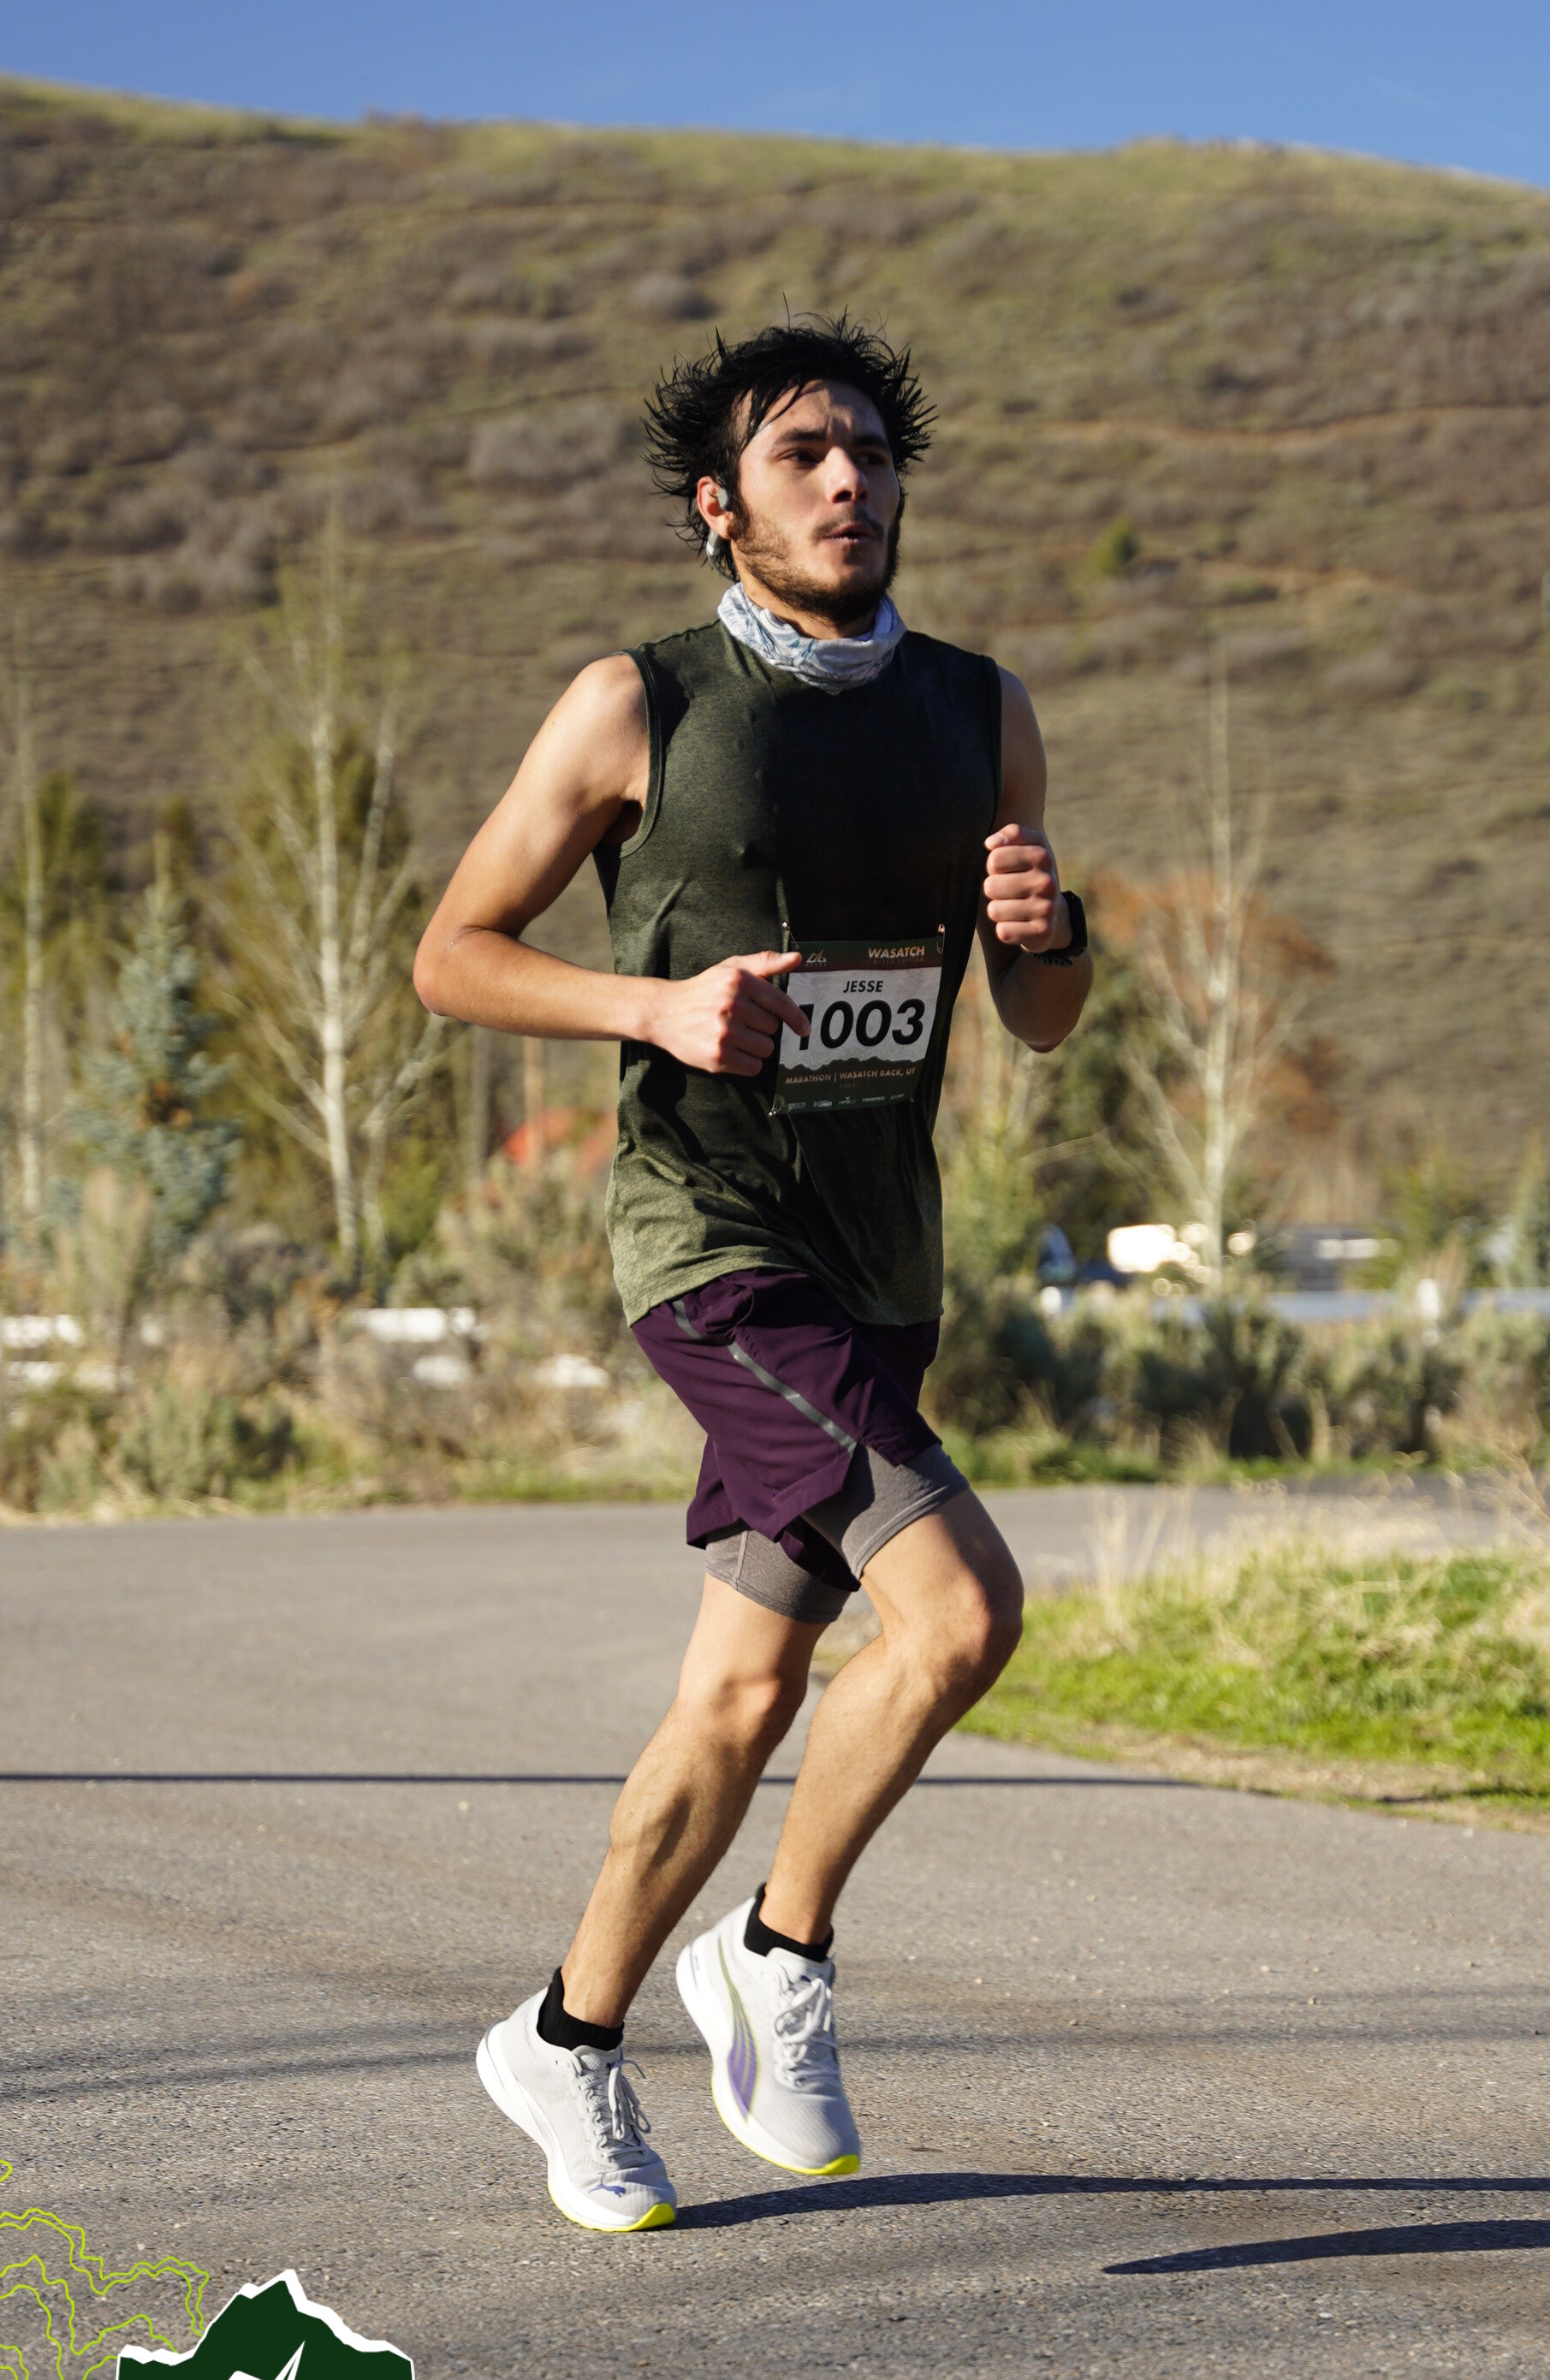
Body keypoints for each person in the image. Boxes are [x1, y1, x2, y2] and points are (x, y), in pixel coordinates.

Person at [414, 316, 1092, 2231]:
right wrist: (653, 1005)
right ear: (721, 507)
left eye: (870, 450)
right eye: (803, 454)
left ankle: (564, 2036)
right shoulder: (638, 703)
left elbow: (1040, 1017)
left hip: (883, 1260)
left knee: (737, 1699)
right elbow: (452, 955)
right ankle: (777, 1951)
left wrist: (1052, 935)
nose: (849, 479)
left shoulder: (980, 710)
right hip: (712, 1243)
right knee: (958, 1616)